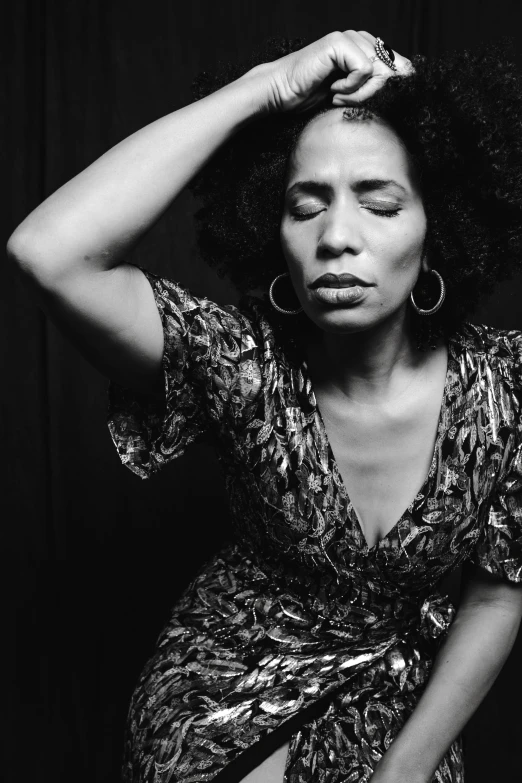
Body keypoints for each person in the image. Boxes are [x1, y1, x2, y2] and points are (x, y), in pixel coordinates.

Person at [7, 28, 522, 783]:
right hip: (218, 694)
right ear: (270, 229)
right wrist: (269, 86)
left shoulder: (507, 387)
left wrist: (403, 771)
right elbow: (48, 252)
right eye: (304, 206)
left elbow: (497, 597)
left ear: (435, 230)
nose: (337, 237)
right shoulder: (245, 366)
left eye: (379, 205)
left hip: (398, 703)